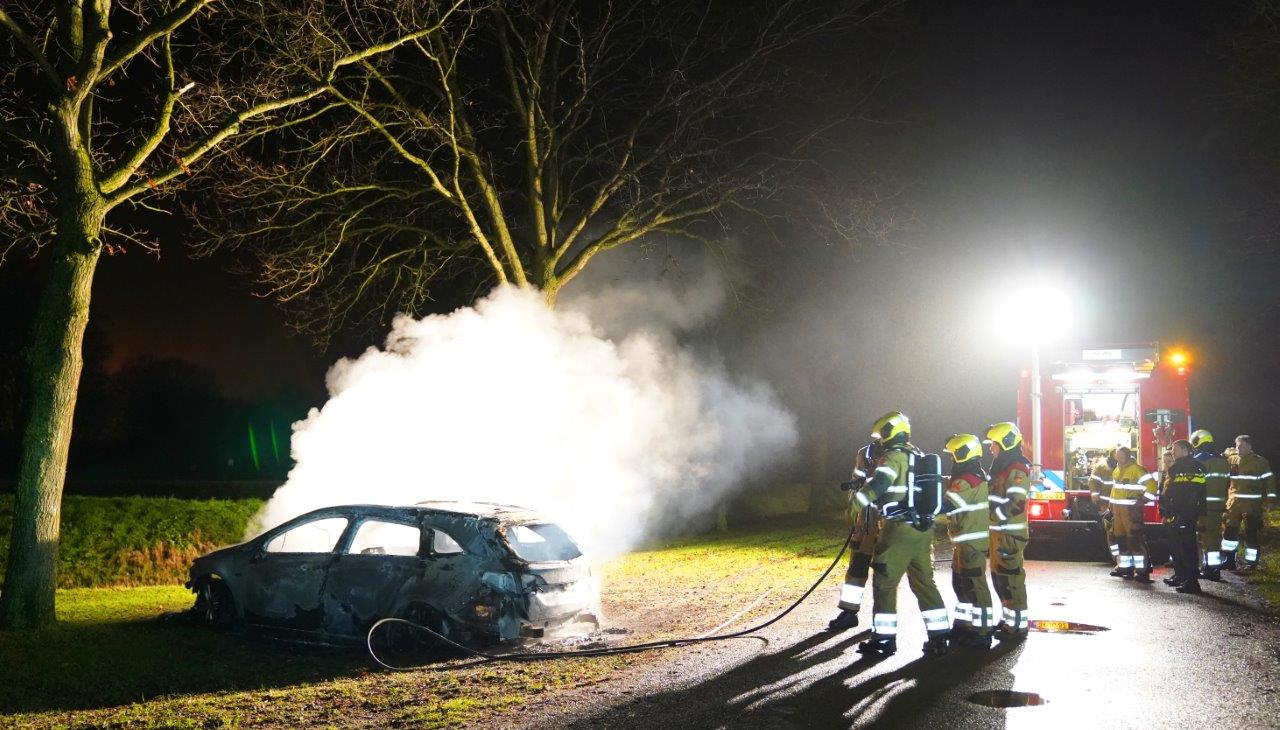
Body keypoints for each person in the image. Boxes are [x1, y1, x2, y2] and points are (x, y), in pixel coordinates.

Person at [852, 411, 951, 657]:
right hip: (923, 530)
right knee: (925, 584)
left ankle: (884, 640)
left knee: (885, 583)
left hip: (898, 530)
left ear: (889, 432)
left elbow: (880, 484)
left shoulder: (893, 457)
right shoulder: (916, 455)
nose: (880, 440)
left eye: (881, 434)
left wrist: (856, 502)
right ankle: (940, 636)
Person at [942, 433, 995, 648]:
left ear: (962, 454)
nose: (952, 459)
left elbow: (949, 504)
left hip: (971, 542)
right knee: (961, 585)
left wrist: (922, 505)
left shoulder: (966, 480)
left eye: (954, 455)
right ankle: (964, 625)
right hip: (965, 542)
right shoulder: (974, 476)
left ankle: (982, 632)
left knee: (974, 586)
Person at [829, 439, 883, 630]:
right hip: (864, 523)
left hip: (888, 525)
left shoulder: (903, 455)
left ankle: (882, 618)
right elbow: (855, 483)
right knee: (856, 568)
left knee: (885, 574)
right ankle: (849, 612)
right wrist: (853, 509)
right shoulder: (865, 453)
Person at [985, 421, 1031, 641]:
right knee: (1000, 578)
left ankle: (1018, 626)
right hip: (999, 532)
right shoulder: (1001, 467)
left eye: (993, 444)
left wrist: (994, 515)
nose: (991, 448)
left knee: (1011, 579)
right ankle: (1008, 620)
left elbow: (1016, 503)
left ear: (1004, 442)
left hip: (1010, 533)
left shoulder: (1016, 468)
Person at [1222, 435, 1276, 572]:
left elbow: (1270, 481)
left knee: (1251, 533)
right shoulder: (1232, 460)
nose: (1238, 448)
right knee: (1229, 533)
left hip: (1251, 505)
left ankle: (1251, 564)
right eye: (1237, 446)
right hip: (1233, 505)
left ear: (1249, 446)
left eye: (1241, 446)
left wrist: (1271, 501)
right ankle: (1229, 561)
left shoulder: (1260, 462)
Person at [1160, 439, 1207, 593]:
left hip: (1183, 512)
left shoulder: (1182, 468)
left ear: (1186, 450)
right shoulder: (1196, 466)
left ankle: (1192, 582)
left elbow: (1180, 493)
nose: (1173, 452)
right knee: (1182, 546)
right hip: (1186, 512)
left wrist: (1173, 509)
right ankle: (1185, 578)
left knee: (1187, 547)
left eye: (1176, 449)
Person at [1190, 429, 1231, 581]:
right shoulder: (1222, 460)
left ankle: (1210, 569)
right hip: (1218, 505)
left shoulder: (1200, 460)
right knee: (1214, 536)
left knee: (1205, 537)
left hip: (1203, 505)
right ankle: (1213, 568)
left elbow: (1194, 485)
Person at [1109, 446, 1154, 583]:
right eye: (1117, 455)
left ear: (1127, 456)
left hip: (1131, 511)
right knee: (1121, 539)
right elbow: (1115, 489)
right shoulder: (1117, 469)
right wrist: (1110, 507)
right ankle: (1125, 567)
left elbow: (1152, 485)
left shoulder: (1137, 469)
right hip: (1118, 511)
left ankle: (1142, 571)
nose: (1118, 458)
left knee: (1135, 540)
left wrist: (1143, 501)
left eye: (1121, 455)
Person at [1089, 451, 1118, 564]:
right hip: (1106, 505)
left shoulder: (1125, 466)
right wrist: (1096, 497)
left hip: (1121, 506)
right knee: (1111, 533)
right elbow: (1093, 482)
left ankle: (1121, 560)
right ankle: (1116, 558)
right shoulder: (1102, 467)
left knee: (1120, 533)